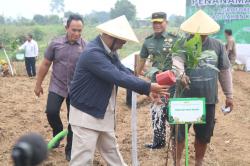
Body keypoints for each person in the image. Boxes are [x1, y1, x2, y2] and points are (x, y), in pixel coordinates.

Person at [69, 15, 169, 166]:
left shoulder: (109, 52)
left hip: (101, 112)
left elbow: (123, 71)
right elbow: (117, 76)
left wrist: (147, 89)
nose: (123, 44)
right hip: (86, 115)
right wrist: (147, 87)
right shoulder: (93, 53)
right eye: (122, 40)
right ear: (111, 37)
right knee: (82, 160)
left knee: (112, 154)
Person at [173, 10, 234, 166]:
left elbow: (225, 71)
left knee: (203, 136)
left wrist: (229, 95)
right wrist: (181, 74)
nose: (200, 36)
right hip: (183, 100)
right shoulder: (182, 44)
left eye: (204, 33)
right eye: (197, 33)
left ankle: (198, 163)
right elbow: (177, 61)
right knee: (179, 136)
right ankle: (177, 163)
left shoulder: (217, 46)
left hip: (207, 100)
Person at [34, 14, 86, 161]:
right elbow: (45, 64)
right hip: (57, 85)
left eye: (79, 31)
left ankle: (70, 150)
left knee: (73, 121)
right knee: (51, 111)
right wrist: (38, 84)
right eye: (73, 30)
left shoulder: (86, 47)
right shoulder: (55, 44)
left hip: (76, 89)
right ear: (66, 28)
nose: (76, 33)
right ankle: (57, 131)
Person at [136, 12, 179, 149]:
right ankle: (159, 141)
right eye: (154, 22)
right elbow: (142, 59)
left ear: (166, 22)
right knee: (157, 110)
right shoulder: (148, 41)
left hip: (173, 83)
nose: (157, 25)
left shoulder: (174, 39)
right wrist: (135, 76)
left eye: (160, 22)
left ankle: (176, 142)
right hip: (156, 83)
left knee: (173, 111)